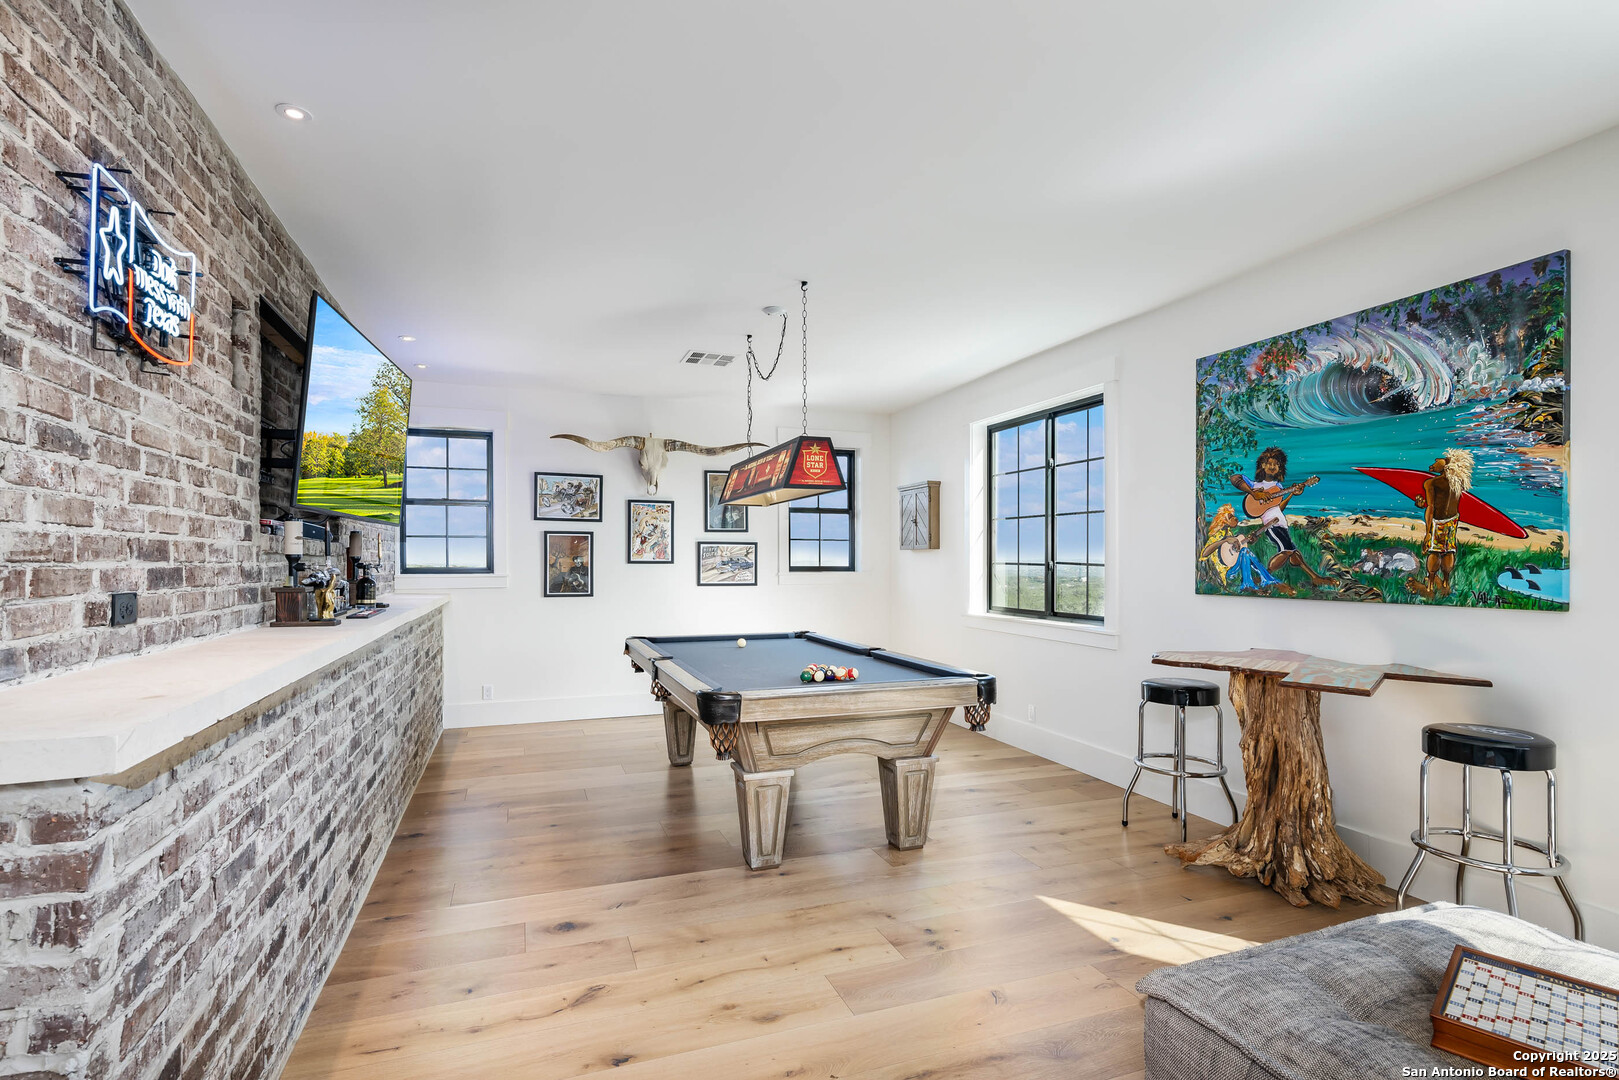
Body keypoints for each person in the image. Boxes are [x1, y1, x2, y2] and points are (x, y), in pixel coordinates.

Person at [1230, 447, 1331, 587]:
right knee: (1287, 551)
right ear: (1262, 465)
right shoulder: (1255, 485)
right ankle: (1263, 575)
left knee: (1295, 555)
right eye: (1269, 463)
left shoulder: (1278, 487)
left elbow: (1278, 507)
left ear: (1280, 467)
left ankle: (1315, 577)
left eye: (1276, 464)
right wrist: (1254, 493)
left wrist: (1291, 494)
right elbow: (1234, 478)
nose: (1272, 467)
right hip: (1272, 525)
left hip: (1281, 523)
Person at [1407, 448, 1474, 600]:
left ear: (1446, 465)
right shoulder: (1457, 483)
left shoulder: (1431, 483)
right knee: (1449, 551)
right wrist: (1423, 503)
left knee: (1434, 552)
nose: (1434, 463)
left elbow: (1432, 508)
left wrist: (1428, 532)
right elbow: (1443, 503)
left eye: (1437, 462)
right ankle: (1445, 584)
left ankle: (1430, 586)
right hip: (1452, 521)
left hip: (1437, 523)